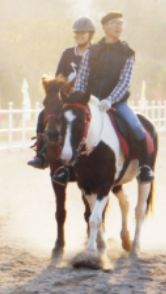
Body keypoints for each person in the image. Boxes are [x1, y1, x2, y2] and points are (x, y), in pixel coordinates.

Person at [52, 12, 154, 185]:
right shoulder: (92, 51)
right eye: (114, 23)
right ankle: (67, 169)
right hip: (91, 101)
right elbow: (82, 79)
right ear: (104, 27)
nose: (118, 26)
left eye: (121, 23)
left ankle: (145, 168)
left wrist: (110, 100)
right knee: (71, 126)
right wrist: (77, 99)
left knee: (137, 128)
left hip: (116, 103)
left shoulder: (127, 53)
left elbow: (124, 82)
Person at [27, 16, 95, 169]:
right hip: (67, 97)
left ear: (90, 34)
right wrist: (64, 85)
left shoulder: (96, 53)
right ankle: (41, 153)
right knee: (42, 115)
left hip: (87, 98)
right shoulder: (67, 53)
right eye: (76, 33)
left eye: (83, 33)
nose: (79, 36)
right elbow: (59, 76)